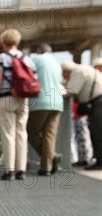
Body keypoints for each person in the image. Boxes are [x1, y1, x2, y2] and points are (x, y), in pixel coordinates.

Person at [0, 29, 36, 180]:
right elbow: (33, 78)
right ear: (17, 42)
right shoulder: (27, 58)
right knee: (22, 132)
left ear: (3, 42)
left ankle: (9, 170)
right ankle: (21, 170)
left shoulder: (2, 58)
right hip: (23, 98)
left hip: (6, 97)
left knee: (8, 134)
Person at [27, 44, 64, 176]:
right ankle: (46, 167)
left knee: (30, 132)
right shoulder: (57, 63)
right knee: (49, 136)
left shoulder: (36, 59)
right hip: (57, 102)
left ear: (39, 51)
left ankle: (52, 157)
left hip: (40, 102)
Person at [62, 61, 102, 170]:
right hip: (96, 103)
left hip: (97, 103)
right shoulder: (86, 69)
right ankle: (97, 159)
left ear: (66, 70)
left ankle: (100, 162)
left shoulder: (77, 71)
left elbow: (71, 91)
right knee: (96, 132)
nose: (64, 77)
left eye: (64, 74)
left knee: (97, 133)